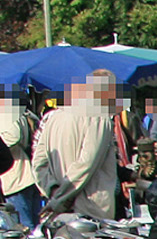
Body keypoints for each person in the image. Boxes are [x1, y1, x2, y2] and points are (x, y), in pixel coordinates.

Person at [32, 72, 119, 220]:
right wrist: (61, 198)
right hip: (89, 207)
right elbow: (87, 163)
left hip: (59, 207)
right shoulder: (99, 118)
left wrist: (52, 190)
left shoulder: (54, 117)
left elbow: (38, 163)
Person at [0, 90, 42, 227]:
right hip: (24, 176)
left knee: (21, 226)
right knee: (31, 224)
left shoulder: (5, 112)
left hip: (16, 179)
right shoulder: (22, 113)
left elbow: (13, 136)